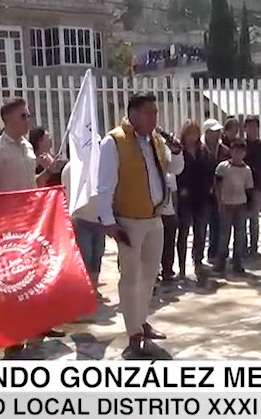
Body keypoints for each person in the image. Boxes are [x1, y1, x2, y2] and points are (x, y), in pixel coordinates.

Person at [96, 93, 184, 359]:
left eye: (156, 112)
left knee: (149, 276)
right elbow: (104, 186)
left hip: (154, 218)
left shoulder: (155, 140)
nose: (154, 118)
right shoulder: (114, 142)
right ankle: (133, 334)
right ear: (133, 113)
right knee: (130, 278)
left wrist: (177, 151)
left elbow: (175, 169)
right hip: (129, 221)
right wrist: (109, 222)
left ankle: (142, 322)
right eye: (149, 112)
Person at [0, 98, 67, 358]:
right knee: (13, 282)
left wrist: (47, 172)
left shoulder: (27, 147)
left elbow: (32, 183)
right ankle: (14, 340)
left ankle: (40, 324)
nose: (28, 120)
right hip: (8, 227)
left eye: (28, 115)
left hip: (31, 222)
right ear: (7, 119)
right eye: (22, 116)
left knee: (37, 276)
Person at [61, 161, 105, 301]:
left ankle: (94, 289)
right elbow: (67, 194)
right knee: (85, 256)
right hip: (80, 219)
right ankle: (84, 291)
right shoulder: (70, 169)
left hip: (100, 219)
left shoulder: (99, 165)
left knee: (97, 255)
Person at [175, 120, 212, 278]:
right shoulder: (179, 150)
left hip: (201, 195)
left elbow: (209, 169)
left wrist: (209, 187)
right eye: (189, 133)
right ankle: (181, 267)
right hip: (185, 196)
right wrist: (181, 188)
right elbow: (175, 171)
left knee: (201, 231)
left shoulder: (202, 150)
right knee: (183, 232)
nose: (192, 136)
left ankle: (198, 260)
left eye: (195, 133)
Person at [214, 139, 254, 274]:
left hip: (240, 204)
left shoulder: (247, 170)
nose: (238, 154)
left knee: (240, 234)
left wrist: (249, 206)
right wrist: (219, 201)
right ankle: (221, 261)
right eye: (235, 151)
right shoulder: (223, 167)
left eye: (241, 152)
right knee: (224, 234)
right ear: (231, 152)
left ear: (245, 153)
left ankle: (237, 261)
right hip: (226, 204)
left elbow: (249, 189)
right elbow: (217, 185)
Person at [201, 118, 230, 263]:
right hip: (202, 193)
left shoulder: (224, 151)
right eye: (214, 131)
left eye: (218, 131)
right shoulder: (200, 149)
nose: (217, 134)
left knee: (219, 222)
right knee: (202, 225)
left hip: (220, 192)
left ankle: (217, 252)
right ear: (206, 133)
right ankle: (199, 256)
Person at [243, 116, 261, 260]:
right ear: (245, 129)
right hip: (242, 186)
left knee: (254, 218)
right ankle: (242, 247)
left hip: (258, 185)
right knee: (241, 219)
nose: (252, 130)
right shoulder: (241, 144)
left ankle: (254, 247)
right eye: (249, 127)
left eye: (255, 127)